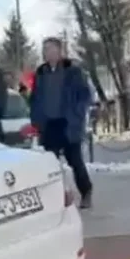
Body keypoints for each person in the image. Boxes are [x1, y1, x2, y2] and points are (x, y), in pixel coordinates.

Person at [29, 37, 93, 209]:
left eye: (49, 49)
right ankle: (56, 198)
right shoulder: (41, 73)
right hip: (49, 125)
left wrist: (77, 113)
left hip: (68, 123)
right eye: (44, 49)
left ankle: (86, 191)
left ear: (59, 51)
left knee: (75, 161)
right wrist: (36, 119)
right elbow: (34, 98)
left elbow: (85, 95)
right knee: (52, 164)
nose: (46, 53)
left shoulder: (72, 71)